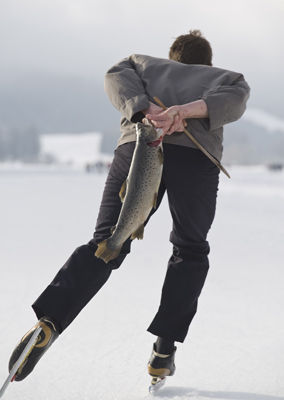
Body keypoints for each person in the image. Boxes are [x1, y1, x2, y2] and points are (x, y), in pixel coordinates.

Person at [8, 30, 250, 383]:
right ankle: (163, 350)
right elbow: (236, 100)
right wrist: (187, 111)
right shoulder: (226, 78)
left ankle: (49, 322)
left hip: (137, 151)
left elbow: (113, 76)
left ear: (171, 57)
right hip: (195, 160)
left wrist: (148, 108)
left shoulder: (139, 64)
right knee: (190, 250)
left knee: (107, 242)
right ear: (206, 62)